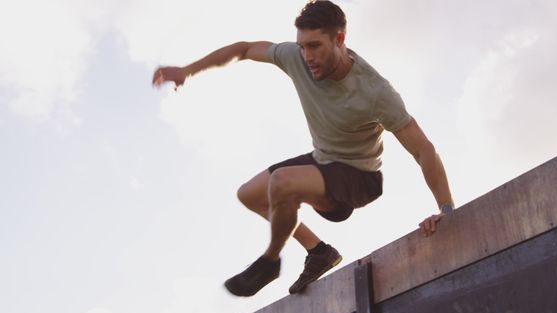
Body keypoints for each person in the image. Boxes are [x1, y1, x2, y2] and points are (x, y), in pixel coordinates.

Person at [152, 0, 454, 297]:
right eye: (302, 46)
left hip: (359, 177)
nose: (307, 56)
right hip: (323, 160)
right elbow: (243, 48)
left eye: (315, 46)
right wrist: (187, 70)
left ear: (339, 39)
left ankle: (269, 262)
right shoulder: (295, 57)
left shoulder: (375, 91)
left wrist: (447, 210)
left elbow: (422, 149)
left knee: (282, 184)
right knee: (249, 194)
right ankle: (319, 252)